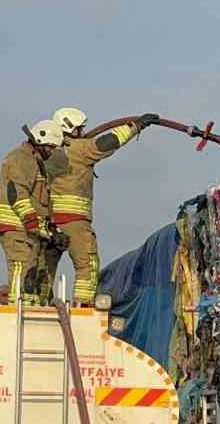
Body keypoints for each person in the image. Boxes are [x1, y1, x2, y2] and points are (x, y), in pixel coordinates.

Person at [51, 108, 160, 305]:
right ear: (69, 129)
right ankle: (83, 305)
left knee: (45, 264)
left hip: (49, 220)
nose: (83, 132)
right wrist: (134, 127)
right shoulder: (77, 149)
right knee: (87, 264)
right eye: (79, 129)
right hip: (73, 219)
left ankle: (34, 301)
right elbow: (106, 143)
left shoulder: (50, 152)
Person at [0, 119, 69, 305]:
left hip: (27, 229)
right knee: (22, 265)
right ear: (40, 142)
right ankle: (19, 306)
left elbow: (41, 202)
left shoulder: (35, 162)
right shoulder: (21, 159)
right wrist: (32, 222)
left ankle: (32, 305)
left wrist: (52, 231)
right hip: (15, 227)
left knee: (35, 270)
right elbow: (16, 193)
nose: (51, 153)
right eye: (50, 148)